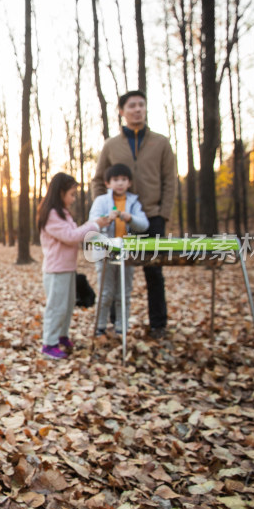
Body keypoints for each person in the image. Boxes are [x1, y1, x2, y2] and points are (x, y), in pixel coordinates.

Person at [92, 90, 177, 339]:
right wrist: (105, 207)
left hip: (150, 217)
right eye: (132, 106)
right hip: (117, 220)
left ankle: (158, 324)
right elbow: (98, 179)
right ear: (122, 111)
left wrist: (163, 214)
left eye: (141, 105)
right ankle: (114, 323)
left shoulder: (160, 142)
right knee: (114, 269)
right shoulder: (111, 145)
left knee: (154, 271)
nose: (137, 109)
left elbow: (170, 181)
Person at [38, 172, 110, 360]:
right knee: (57, 306)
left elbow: (74, 232)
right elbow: (71, 237)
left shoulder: (63, 213)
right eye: (71, 194)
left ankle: (62, 336)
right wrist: (94, 224)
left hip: (67, 267)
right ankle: (49, 343)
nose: (73, 198)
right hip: (56, 269)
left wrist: (94, 225)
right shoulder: (52, 214)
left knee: (68, 305)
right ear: (60, 192)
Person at [89, 163, 149, 336]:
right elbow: (92, 224)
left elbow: (143, 225)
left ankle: (121, 327)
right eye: (116, 180)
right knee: (106, 292)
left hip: (127, 253)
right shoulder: (101, 201)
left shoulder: (134, 202)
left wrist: (130, 219)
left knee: (123, 293)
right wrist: (107, 219)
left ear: (129, 182)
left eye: (124, 179)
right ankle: (100, 326)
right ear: (108, 183)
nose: (120, 183)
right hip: (105, 252)